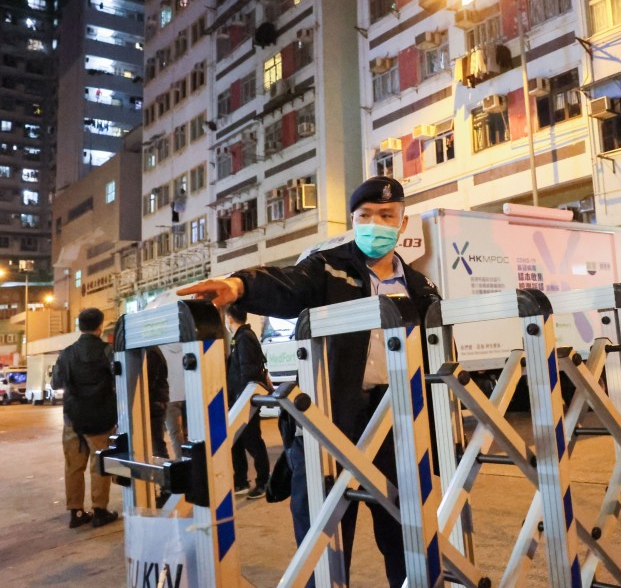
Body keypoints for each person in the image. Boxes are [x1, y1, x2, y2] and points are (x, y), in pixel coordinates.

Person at [178, 176, 438, 587]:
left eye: (387, 216)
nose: (376, 224)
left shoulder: (420, 287)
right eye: (366, 215)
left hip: (398, 420)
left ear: (402, 223)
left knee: (406, 533)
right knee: (327, 532)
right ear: (353, 220)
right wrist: (237, 284)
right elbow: (286, 284)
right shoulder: (328, 267)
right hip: (332, 417)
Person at [51, 308, 120, 529]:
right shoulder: (108, 351)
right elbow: (119, 379)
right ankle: (99, 511)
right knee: (99, 464)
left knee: (74, 465)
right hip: (101, 419)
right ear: (100, 326)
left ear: (79, 326)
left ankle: (77, 512)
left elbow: (55, 383)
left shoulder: (66, 353)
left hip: (73, 419)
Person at [225, 304, 271, 500]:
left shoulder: (244, 338)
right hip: (239, 400)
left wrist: (241, 399)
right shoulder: (239, 338)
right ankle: (241, 481)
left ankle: (264, 482)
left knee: (253, 442)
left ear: (230, 318)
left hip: (246, 401)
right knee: (236, 442)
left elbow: (248, 372)